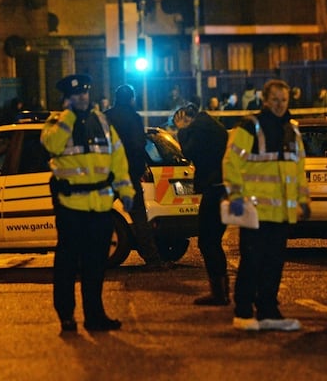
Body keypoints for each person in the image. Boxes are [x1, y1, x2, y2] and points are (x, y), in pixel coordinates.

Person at [41, 73, 134, 334]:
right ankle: (67, 317)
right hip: (71, 207)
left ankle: (95, 316)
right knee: (67, 266)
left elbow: (118, 159)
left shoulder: (102, 122)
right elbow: (52, 144)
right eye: (76, 94)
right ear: (67, 98)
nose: (82, 96)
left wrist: (126, 191)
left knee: (95, 266)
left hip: (100, 208)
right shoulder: (56, 122)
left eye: (84, 92)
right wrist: (70, 116)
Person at [223, 79, 310, 332]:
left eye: (284, 100)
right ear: (265, 100)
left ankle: (268, 309)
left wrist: (304, 201)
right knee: (251, 262)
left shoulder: (292, 131)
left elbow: (299, 170)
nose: (280, 105)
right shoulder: (250, 127)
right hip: (255, 211)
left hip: (281, 214)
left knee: (273, 264)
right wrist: (236, 196)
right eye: (275, 100)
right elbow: (231, 163)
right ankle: (243, 311)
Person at [174, 102, 230, 305]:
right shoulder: (213, 125)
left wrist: (182, 132)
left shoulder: (198, 129)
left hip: (213, 188)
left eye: (180, 122)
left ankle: (219, 294)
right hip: (222, 186)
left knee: (207, 242)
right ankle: (222, 291)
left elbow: (188, 153)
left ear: (186, 118)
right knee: (214, 241)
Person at [104, 84, 165, 268]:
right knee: (139, 219)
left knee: (99, 216)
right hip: (129, 175)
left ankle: (92, 256)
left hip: (108, 174)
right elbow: (139, 145)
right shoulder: (134, 118)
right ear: (131, 99)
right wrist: (138, 170)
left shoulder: (106, 117)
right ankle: (153, 259)